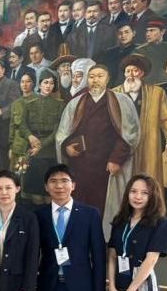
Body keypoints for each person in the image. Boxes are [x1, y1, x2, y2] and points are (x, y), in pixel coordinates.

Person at [56, 65, 139, 229]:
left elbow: (129, 134)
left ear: (108, 79)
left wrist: (116, 159)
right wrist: (67, 147)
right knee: (79, 206)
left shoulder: (121, 101)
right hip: (80, 166)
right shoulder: (76, 103)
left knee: (102, 209)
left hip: (107, 166)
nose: (95, 80)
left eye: (100, 76)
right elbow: (64, 133)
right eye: (92, 76)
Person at [112, 54, 167, 188]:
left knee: (149, 182)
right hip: (122, 147)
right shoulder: (113, 94)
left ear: (142, 73)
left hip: (149, 146)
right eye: (128, 71)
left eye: (135, 71)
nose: (131, 75)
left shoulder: (157, 93)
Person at [15, 70, 66, 202]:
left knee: (48, 194)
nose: (48, 86)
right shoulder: (29, 104)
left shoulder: (60, 105)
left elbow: (57, 131)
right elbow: (22, 126)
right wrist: (30, 136)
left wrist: (40, 146)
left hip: (49, 152)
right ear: (39, 84)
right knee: (34, 193)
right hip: (31, 149)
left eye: (52, 83)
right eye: (45, 82)